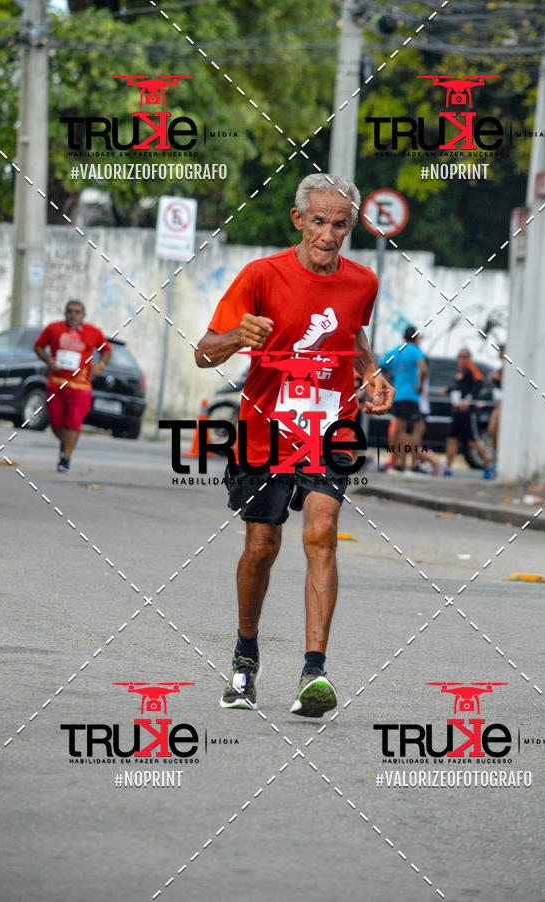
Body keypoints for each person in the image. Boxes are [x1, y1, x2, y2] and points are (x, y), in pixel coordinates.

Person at [194, 173, 394, 717]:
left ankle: (314, 671)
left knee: (323, 534)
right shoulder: (261, 275)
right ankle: (245, 658)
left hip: (332, 423)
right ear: (298, 219)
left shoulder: (363, 282)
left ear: (352, 225)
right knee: (262, 546)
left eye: (341, 224)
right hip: (266, 428)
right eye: (320, 221)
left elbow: (352, 335)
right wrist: (238, 337)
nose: (329, 235)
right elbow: (203, 353)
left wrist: (372, 373)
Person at [34, 299, 111, 472]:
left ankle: (65, 459)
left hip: (81, 387)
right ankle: (66, 444)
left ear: (83, 315)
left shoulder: (93, 332)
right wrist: (48, 360)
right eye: (70, 311)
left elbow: (106, 350)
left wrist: (100, 366)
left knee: (73, 424)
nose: (73, 315)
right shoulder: (53, 329)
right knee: (56, 423)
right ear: (65, 313)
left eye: (77, 312)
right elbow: (38, 347)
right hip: (57, 384)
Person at [380, 326, 441, 474]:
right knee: (417, 429)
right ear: (415, 337)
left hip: (397, 394)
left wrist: (385, 384)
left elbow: (380, 364)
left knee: (399, 430)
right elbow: (424, 369)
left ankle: (398, 464)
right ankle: (411, 465)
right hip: (411, 395)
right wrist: (420, 386)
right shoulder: (415, 350)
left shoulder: (397, 350)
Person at [442, 347, 495, 479]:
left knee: (473, 441)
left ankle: (489, 465)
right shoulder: (459, 373)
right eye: (460, 356)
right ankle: (448, 468)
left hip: (467, 412)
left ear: (469, 358)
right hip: (457, 412)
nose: (462, 359)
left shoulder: (472, 369)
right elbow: (457, 388)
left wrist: (469, 399)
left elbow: (479, 383)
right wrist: (447, 390)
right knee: (451, 439)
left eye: (465, 356)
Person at [488, 344, 505, 451]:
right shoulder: (501, 368)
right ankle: (497, 456)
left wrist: (498, 377)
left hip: (503, 404)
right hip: (497, 402)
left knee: (494, 430)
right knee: (492, 431)